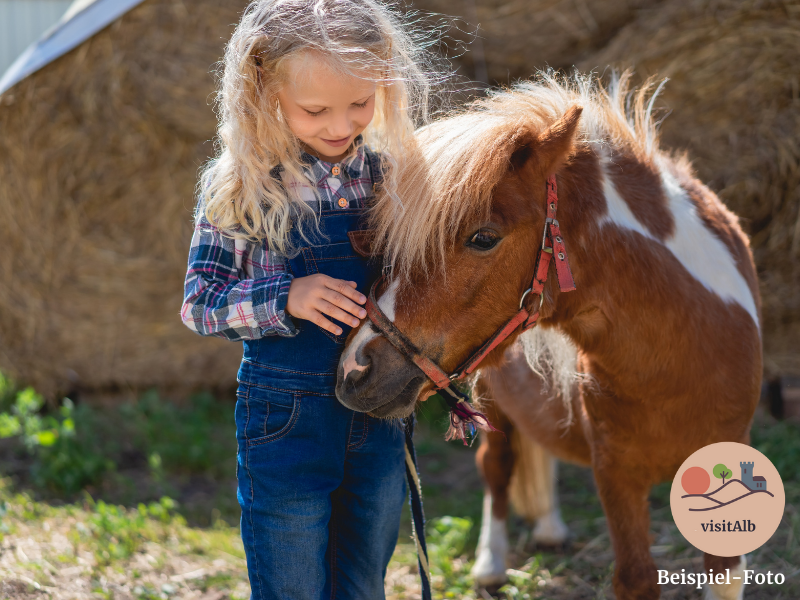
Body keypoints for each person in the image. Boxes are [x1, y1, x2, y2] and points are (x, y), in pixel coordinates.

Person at [179, 1, 437, 598]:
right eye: (315, 110)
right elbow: (200, 302)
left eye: (360, 103)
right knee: (293, 582)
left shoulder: (391, 175)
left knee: (362, 581)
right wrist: (286, 295)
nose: (341, 125)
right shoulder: (243, 183)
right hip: (285, 419)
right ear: (264, 90)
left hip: (377, 412)